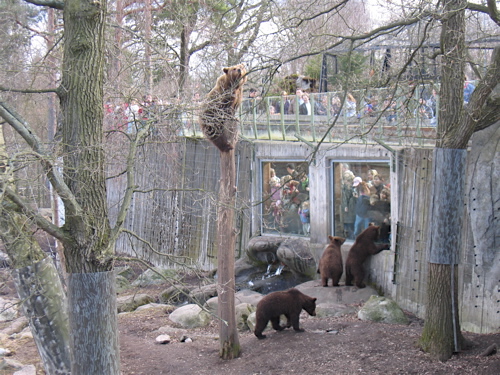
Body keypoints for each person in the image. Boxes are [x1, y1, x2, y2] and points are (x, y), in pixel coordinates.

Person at [341, 170, 356, 240]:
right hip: (348, 206)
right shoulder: (346, 187)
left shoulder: (349, 187)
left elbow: (345, 198)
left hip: (350, 207)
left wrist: (346, 206)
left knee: (349, 223)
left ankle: (351, 237)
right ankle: (350, 236)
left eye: (347, 180)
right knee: (348, 222)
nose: (345, 181)